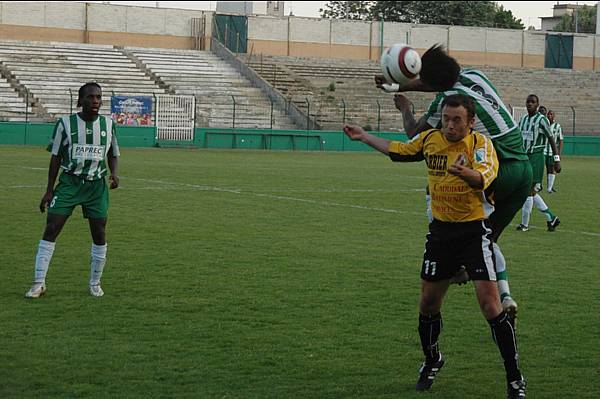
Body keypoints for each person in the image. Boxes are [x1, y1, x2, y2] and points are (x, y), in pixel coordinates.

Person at [343, 94, 526, 399]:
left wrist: (464, 173)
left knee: (490, 306)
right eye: (446, 118)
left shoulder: (481, 144)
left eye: (457, 120)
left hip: (474, 232)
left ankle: (515, 378)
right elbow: (398, 150)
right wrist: (363, 136)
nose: (450, 125)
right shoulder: (430, 140)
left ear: (471, 122)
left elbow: (484, 177)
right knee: (428, 303)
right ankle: (432, 360)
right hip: (441, 234)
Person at [376, 44, 531, 318]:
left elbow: (414, 135)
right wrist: (399, 84)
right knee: (487, 238)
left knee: (437, 192)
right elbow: (441, 82)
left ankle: (454, 261)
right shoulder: (475, 75)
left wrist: (404, 107)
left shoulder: (445, 103)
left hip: (498, 169)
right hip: (524, 169)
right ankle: (505, 298)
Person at [25, 82, 120, 298]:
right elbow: (56, 156)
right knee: (52, 227)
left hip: (96, 186)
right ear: (81, 100)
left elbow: (113, 153)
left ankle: (95, 283)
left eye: (98, 97)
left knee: (99, 232)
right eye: (90, 97)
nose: (95, 101)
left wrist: (115, 173)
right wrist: (49, 190)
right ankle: (38, 283)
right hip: (69, 183)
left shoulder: (108, 124)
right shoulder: (65, 124)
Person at [516, 95, 561, 232]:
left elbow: (551, 139)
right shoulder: (523, 119)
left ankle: (524, 225)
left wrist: (556, 159)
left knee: (528, 190)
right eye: (528, 102)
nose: (530, 104)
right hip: (525, 156)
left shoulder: (542, 120)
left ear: (537, 105)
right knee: (531, 191)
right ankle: (551, 218)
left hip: (536, 157)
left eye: (533, 102)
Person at [545, 110, 563, 193]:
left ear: (554, 116)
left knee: (551, 169)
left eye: (551, 114)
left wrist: (559, 153)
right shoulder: (544, 124)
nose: (549, 115)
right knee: (540, 169)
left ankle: (549, 188)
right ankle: (537, 186)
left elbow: (561, 140)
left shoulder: (558, 126)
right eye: (548, 114)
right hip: (543, 151)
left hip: (552, 152)